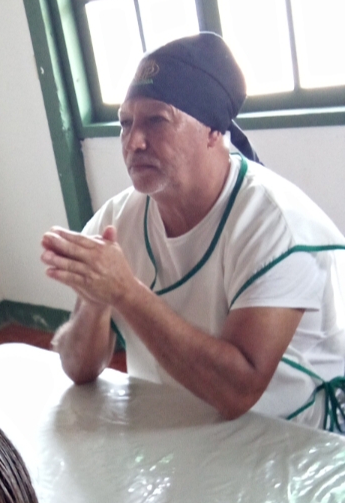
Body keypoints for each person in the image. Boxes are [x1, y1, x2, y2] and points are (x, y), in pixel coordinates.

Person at [41, 33, 345, 431]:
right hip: (181, 429)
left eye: (156, 120)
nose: (134, 142)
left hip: (291, 437)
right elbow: (78, 368)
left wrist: (125, 292)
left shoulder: (275, 223)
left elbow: (238, 392)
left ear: (213, 130)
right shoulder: (117, 219)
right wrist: (96, 302)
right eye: (125, 123)